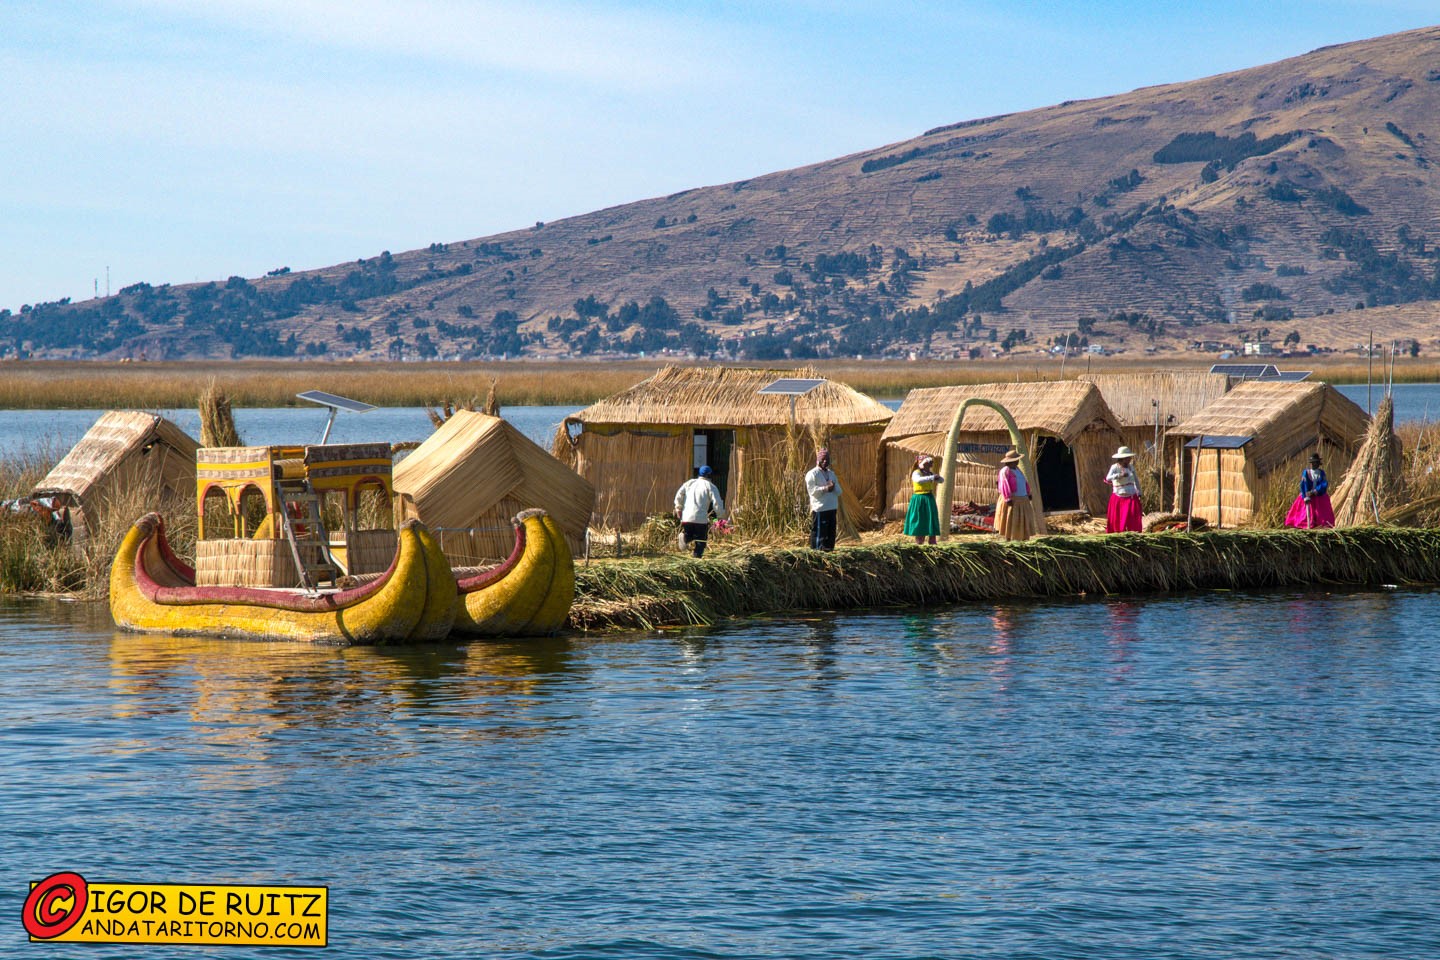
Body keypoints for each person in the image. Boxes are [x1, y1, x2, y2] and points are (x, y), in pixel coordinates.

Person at [673, 465, 725, 557]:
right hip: (700, 519)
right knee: (701, 541)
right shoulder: (711, 486)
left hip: (686, 517)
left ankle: (685, 537)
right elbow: (717, 503)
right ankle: (696, 558)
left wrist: (678, 508)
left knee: (690, 534)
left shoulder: (689, 483)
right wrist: (720, 516)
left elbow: (679, 495)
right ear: (709, 475)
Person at [994, 449, 1038, 541]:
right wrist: (1007, 498)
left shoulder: (1018, 470)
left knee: (1022, 520)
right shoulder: (1005, 471)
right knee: (1010, 520)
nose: (1018, 461)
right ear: (1012, 461)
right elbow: (1004, 485)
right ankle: (1009, 539)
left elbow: (1024, 482)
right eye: (1016, 459)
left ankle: (1023, 538)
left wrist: (1028, 493)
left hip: (1022, 499)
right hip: (1013, 499)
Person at [1285, 453, 1335, 529]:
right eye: (1313, 463)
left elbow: (1324, 484)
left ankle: (1320, 526)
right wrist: (1306, 495)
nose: (1314, 464)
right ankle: (1306, 526)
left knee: (1321, 514)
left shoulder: (1321, 473)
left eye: (1316, 462)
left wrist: (1315, 491)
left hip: (1319, 496)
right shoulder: (1306, 472)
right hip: (1308, 496)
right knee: (1305, 514)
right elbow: (1303, 484)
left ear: (1318, 463)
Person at [805, 448, 841, 551]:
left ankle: (829, 552)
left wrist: (833, 486)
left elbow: (839, 491)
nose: (825, 461)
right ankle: (817, 554)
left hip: (832, 508)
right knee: (820, 534)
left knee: (831, 533)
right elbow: (812, 491)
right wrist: (825, 488)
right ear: (818, 460)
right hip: (820, 509)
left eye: (827, 459)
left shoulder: (831, 474)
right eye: (823, 459)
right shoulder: (812, 474)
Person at [904, 454, 942, 545]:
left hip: (929, 498)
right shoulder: (916, 473)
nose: (931, 465)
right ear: (923, 464)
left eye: (931, 463)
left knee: (931, 518)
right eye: (929, 463)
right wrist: (932, 477)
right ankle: (920, 541)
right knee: (920, 519)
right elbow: (918, 480)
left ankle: (932, 541)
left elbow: (941, 481)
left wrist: (938, 477)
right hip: (919, 498)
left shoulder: (929, 473)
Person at [1105, 446, 1143, 533]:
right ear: (1122, 458)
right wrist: (1119, 475)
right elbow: (1108, 478)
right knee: (1118, 519)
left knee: (1134, 518)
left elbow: (1136, 480)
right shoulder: (1114, 467)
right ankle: (1118, 534)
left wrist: (1139, 492)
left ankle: (1134, 533)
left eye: (1129, 458)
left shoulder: (1131, 467)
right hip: (1119, 497)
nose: (1129, 459)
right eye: (1127, 458)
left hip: (1131, 496)